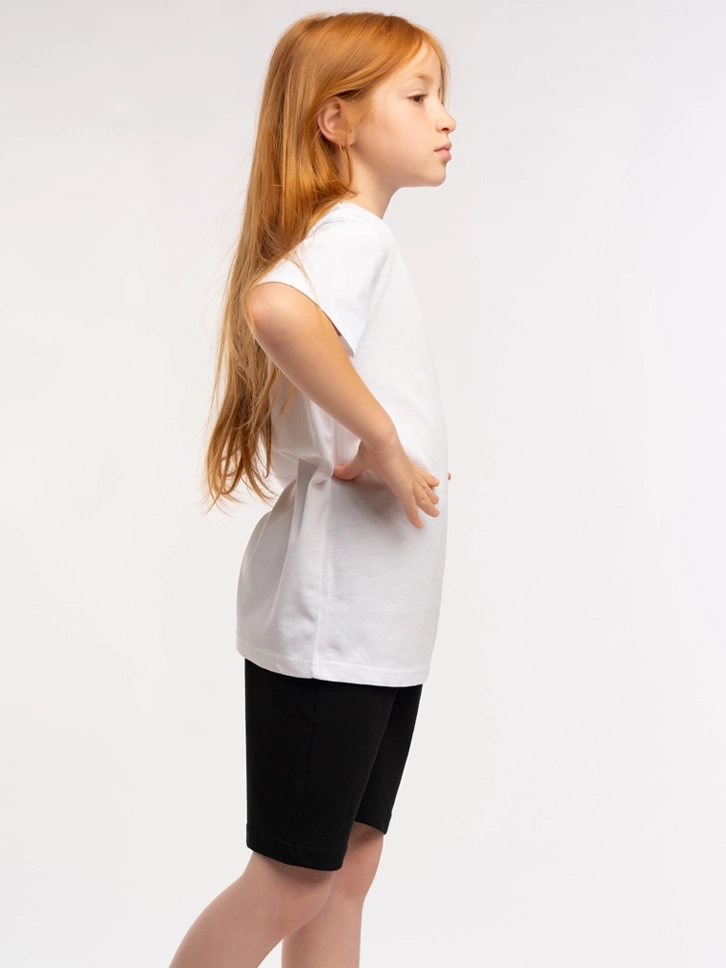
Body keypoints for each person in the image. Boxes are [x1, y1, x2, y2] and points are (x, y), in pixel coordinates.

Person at [167, 11, 456, 968]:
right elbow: (277, 310)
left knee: (347, 869)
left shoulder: (356, 240)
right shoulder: (351, 237)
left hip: (374, 627)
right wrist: (382, 435)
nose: (446, 117)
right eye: (418, 96)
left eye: (442, 96)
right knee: (293, 877)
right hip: (336, 628)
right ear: (337, 120)